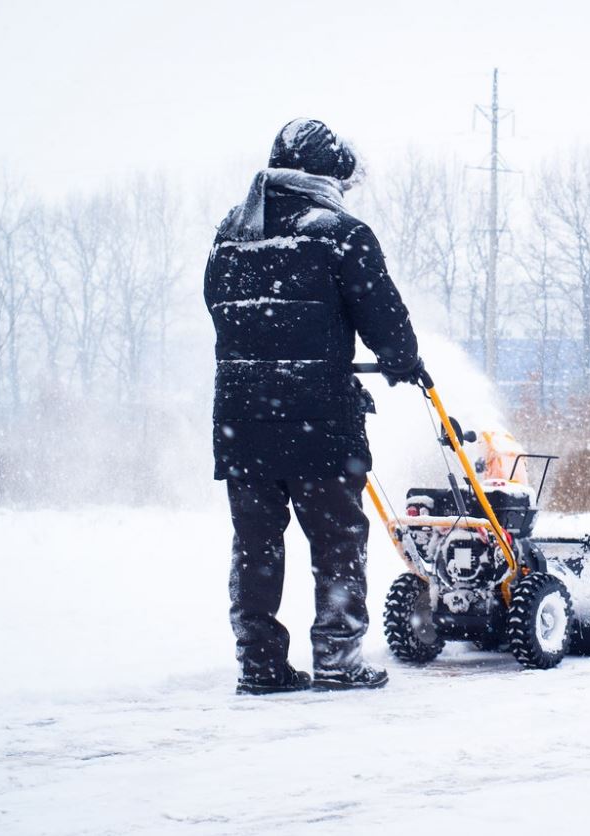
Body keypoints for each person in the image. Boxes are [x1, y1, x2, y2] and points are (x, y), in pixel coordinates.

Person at [204, 118, 424, 695]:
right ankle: (337, 658)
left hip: (241, 423)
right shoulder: (341, 234)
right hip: (318, 422)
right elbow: (387, 324)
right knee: (337, 540)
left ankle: (259, 664)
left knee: (255, 545)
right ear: (327, 176)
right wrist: (402, 361)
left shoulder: (230, 232)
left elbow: (220, 310)